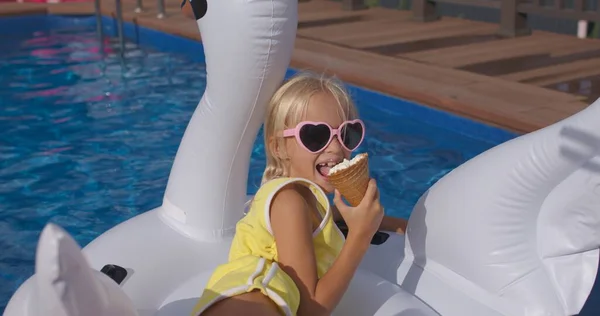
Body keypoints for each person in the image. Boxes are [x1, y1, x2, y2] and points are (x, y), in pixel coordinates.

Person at [190, 72, 408, 316]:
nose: (336, 148)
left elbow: (337, 218)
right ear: (278, 147)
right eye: (316, 136)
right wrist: (360, 236)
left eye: (347, 134)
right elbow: (310, 309)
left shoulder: (306, 201)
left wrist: (402, 227)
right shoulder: (288, 201)